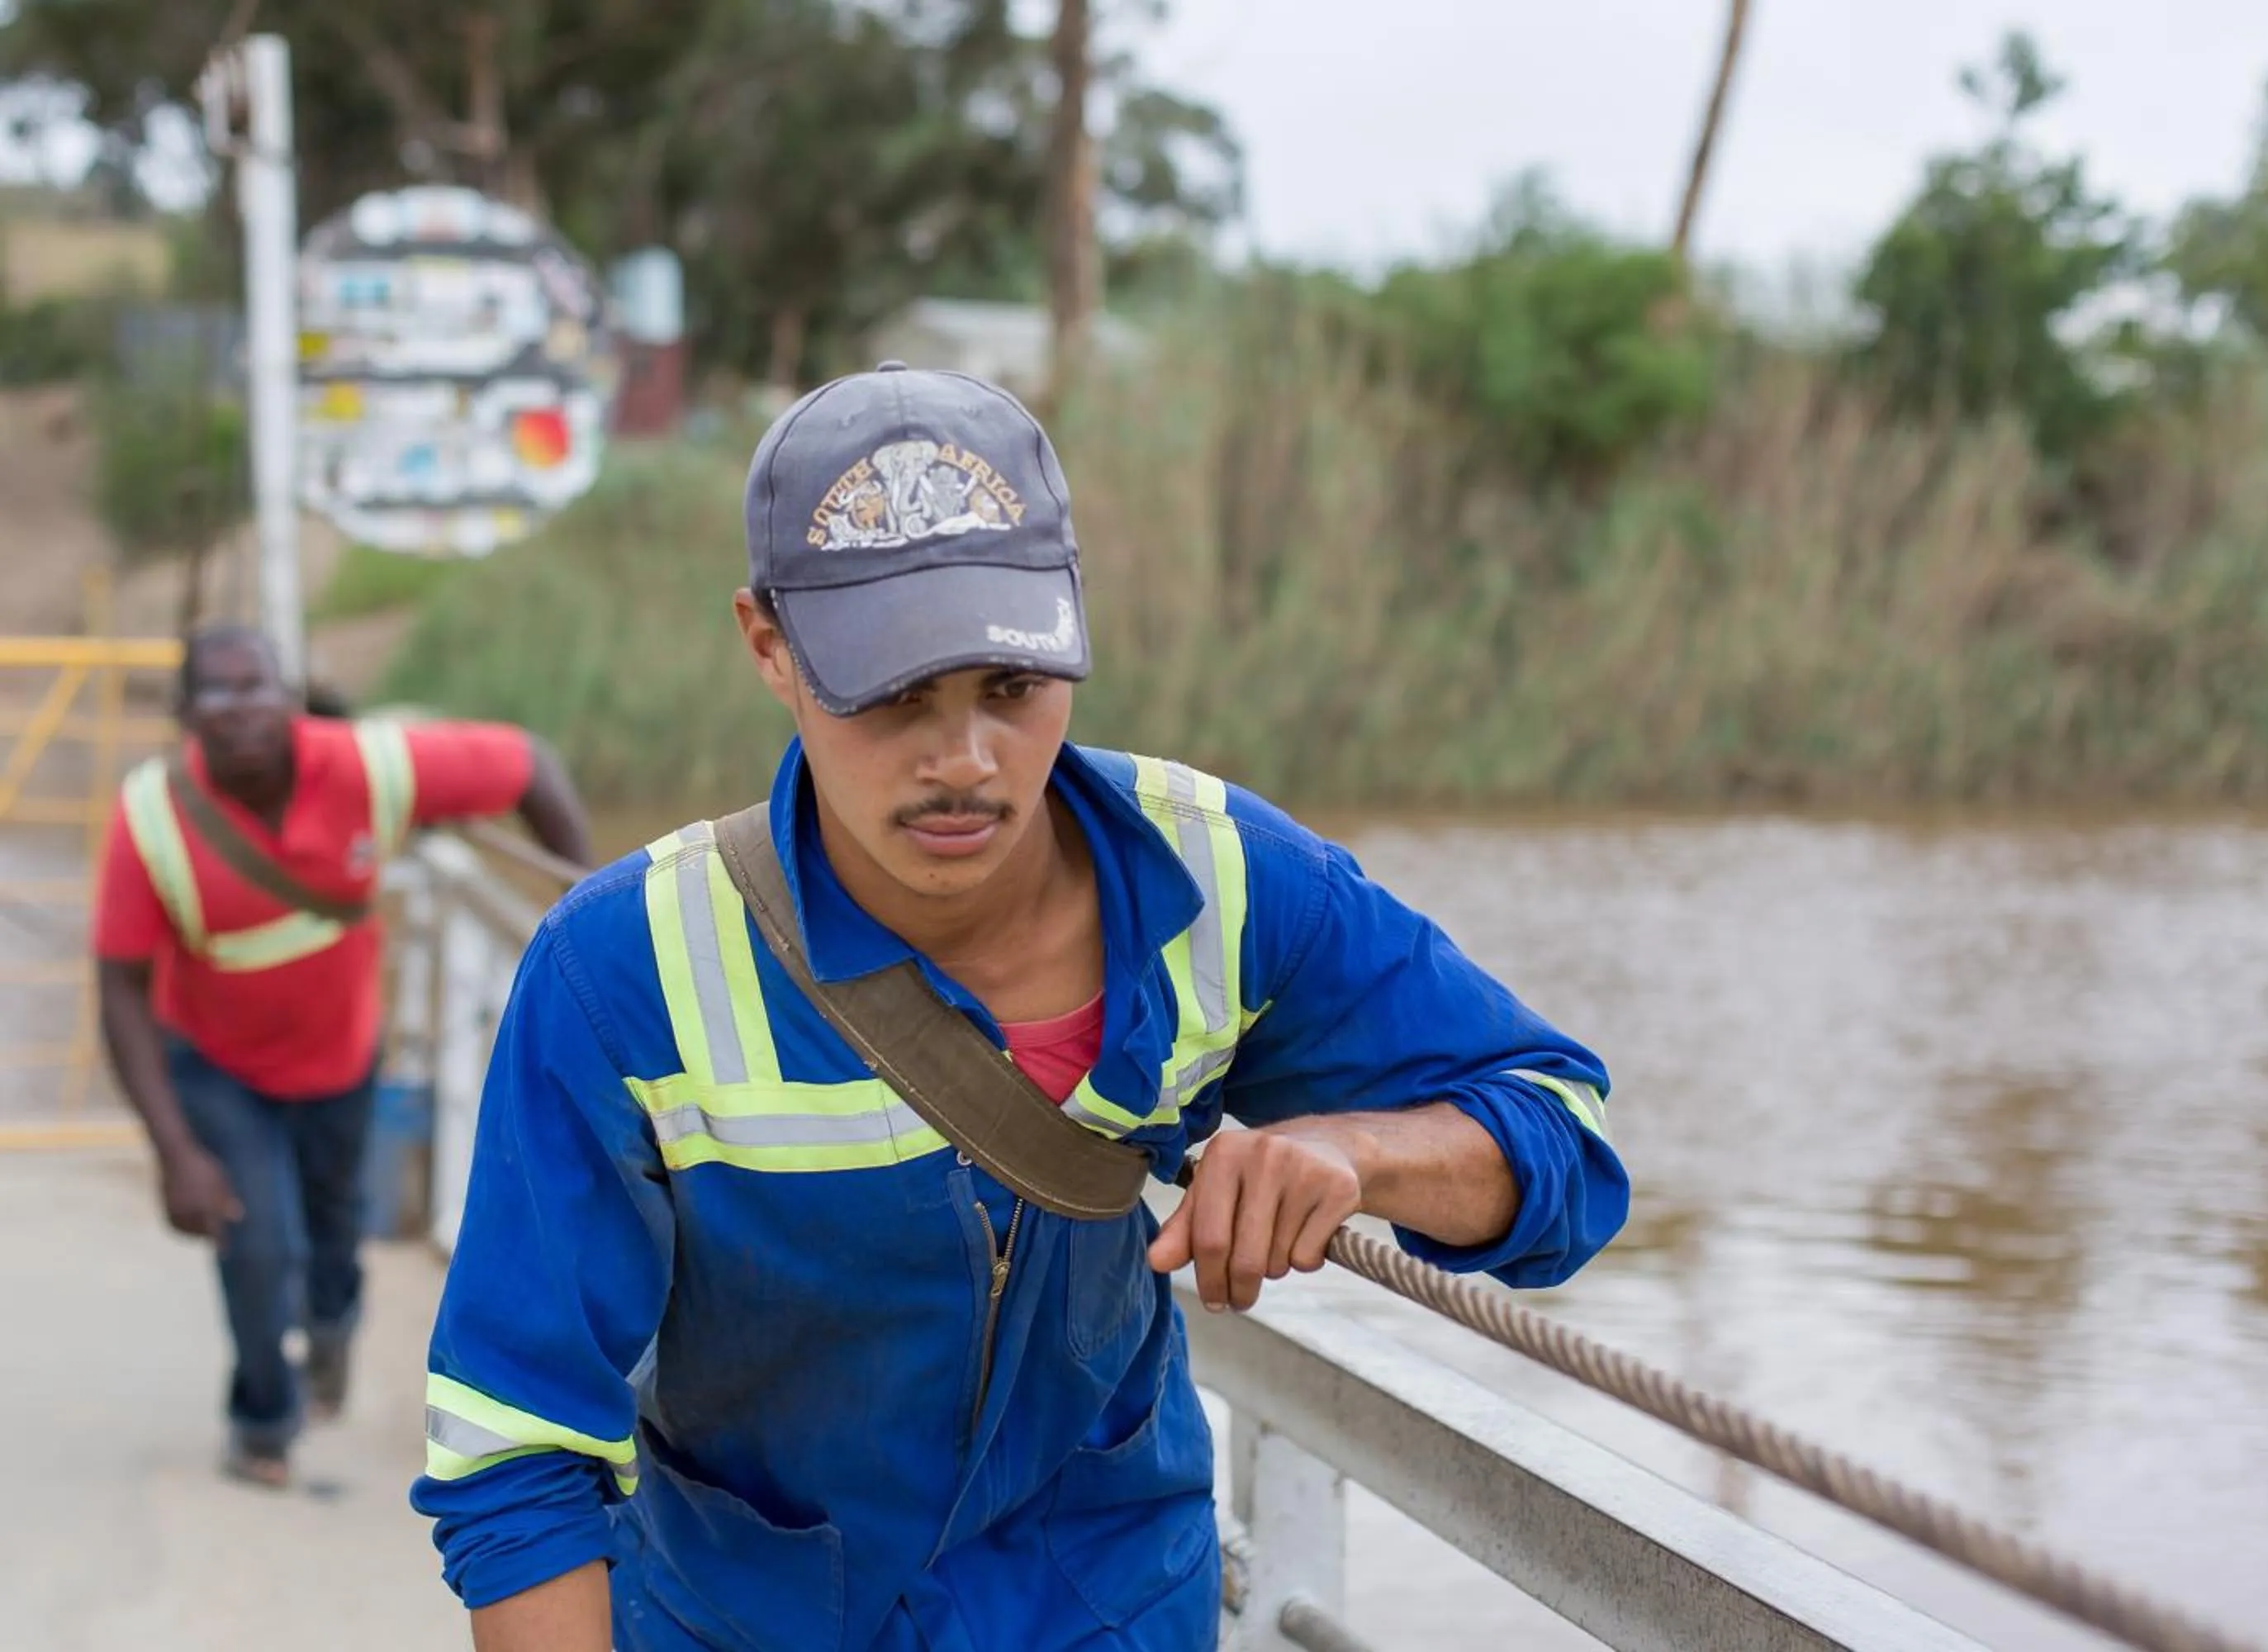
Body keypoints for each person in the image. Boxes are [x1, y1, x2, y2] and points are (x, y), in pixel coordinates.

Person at [412, 364, 1631, 1651]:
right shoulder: (625, 968)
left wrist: (1355, 1150)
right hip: (737, 1614)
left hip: (1102, 1605)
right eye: (890, 696)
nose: (964, 763)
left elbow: (1562, 1144)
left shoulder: (1223, 881)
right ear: (768, 646)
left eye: (1011, 688)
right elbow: (518, 1446)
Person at [92, 624, 593, 1489]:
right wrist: (173, 1151)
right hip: (218, 1063)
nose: (242, 706)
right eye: (218, 690)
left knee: (334, 1240)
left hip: (341, 1058)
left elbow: (530, 766)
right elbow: (120, 985)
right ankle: (263, 1420)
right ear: (183, 714)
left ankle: (330, 1335)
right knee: (255, 1246)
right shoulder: (149, 816)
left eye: (258, 686)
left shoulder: (370, 767)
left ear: (290, 697)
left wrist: (586, 917)